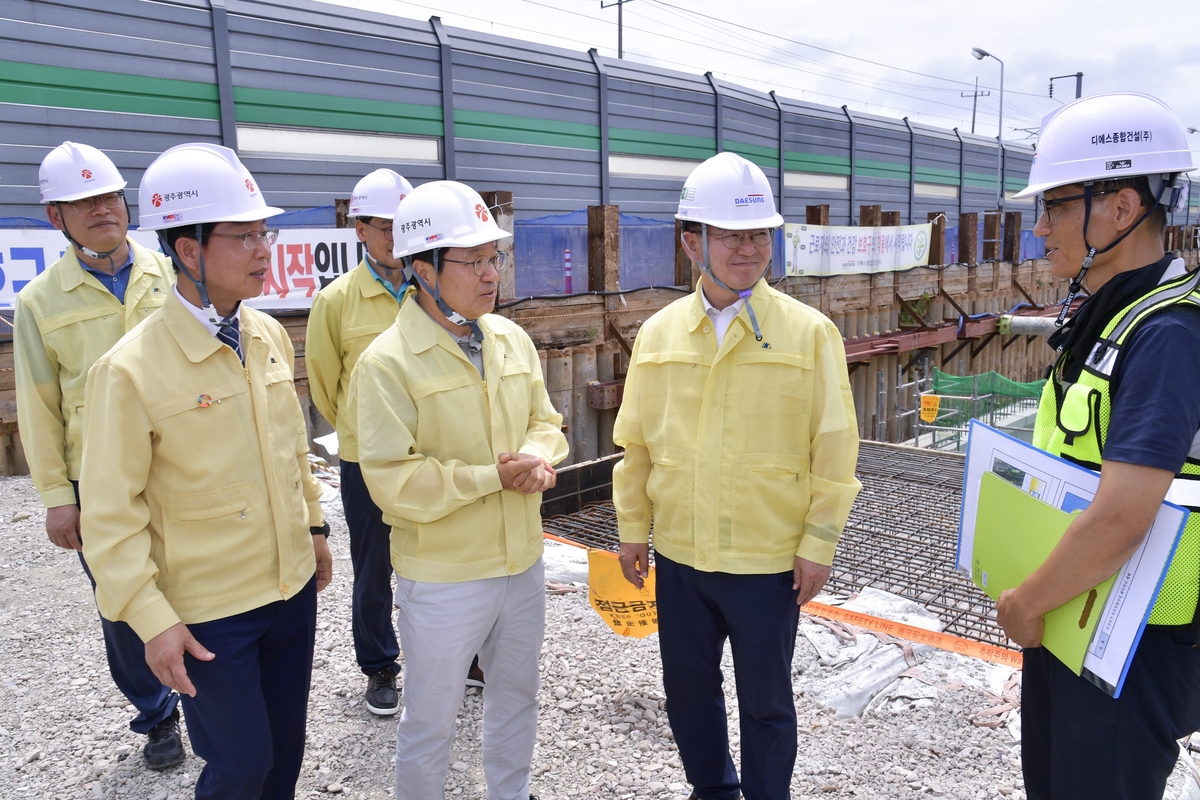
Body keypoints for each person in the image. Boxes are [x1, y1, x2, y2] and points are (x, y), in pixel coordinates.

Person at [78, 142, 333, 799]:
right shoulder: (130, 370)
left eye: (263, 232)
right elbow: (110, 516)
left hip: (290, 593)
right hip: (211, 614)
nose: (263, 248)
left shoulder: (267, 335)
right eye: (243, 236)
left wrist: (314, 527)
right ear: (187, 250)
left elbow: (290, 447)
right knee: (240, 767)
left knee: (284, 759)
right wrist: (150, 618)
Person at [613, 151, 861, 800]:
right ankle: (712, 788)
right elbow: (635, 443)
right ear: (692, 242)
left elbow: (834, 449)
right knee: (688, 692)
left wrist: (817, 544)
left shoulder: (809, 335)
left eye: (758, 235)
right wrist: (633, 530)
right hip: (683, 556)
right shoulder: (660, 334)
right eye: (730, 235)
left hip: (766, 561)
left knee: (767, 704)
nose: (748, 249)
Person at [996, 92, 1200, 800]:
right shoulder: (1110, 315)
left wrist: (1027, 601)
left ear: (1119, 208)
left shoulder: (1166, 335)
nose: (1041, 227)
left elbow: (1123, 514)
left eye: (1055, 204)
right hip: (1079, 614)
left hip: (1127, 642)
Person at [346, 179, 568, 799]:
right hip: (443, 575)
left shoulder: (510, 339)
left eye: (493, 257)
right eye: (471, 262)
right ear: (422, 268)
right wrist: (490, 478)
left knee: (517, 699)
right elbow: (392, 481)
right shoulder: (387, 363)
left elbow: (546, 423)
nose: (489, 273)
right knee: (431, 719)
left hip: (520, 562)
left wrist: (538, 459)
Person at [12, 141, 183, 769]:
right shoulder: (39, 303)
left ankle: (205, 689)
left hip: (178, 462)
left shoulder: (167, 276)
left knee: (191, 581)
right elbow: (38, 408)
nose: (101, 210)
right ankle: (157, 713)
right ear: (56, 217)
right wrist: (58, 499)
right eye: (83, 202)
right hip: (97, 481)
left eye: (109, 196)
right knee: (122, 597)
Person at [306, 168, 413, 716]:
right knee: (374, 566)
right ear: (359, 229)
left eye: (406, 223)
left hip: (431, 453)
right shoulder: (336, 301)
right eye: (386, 225)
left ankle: (459, 654)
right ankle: (379, 665)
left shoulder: (434, 287)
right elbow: (327, 388)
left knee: (444, 558)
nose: (398, 235)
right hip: (366, 460)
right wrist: (365, 430)